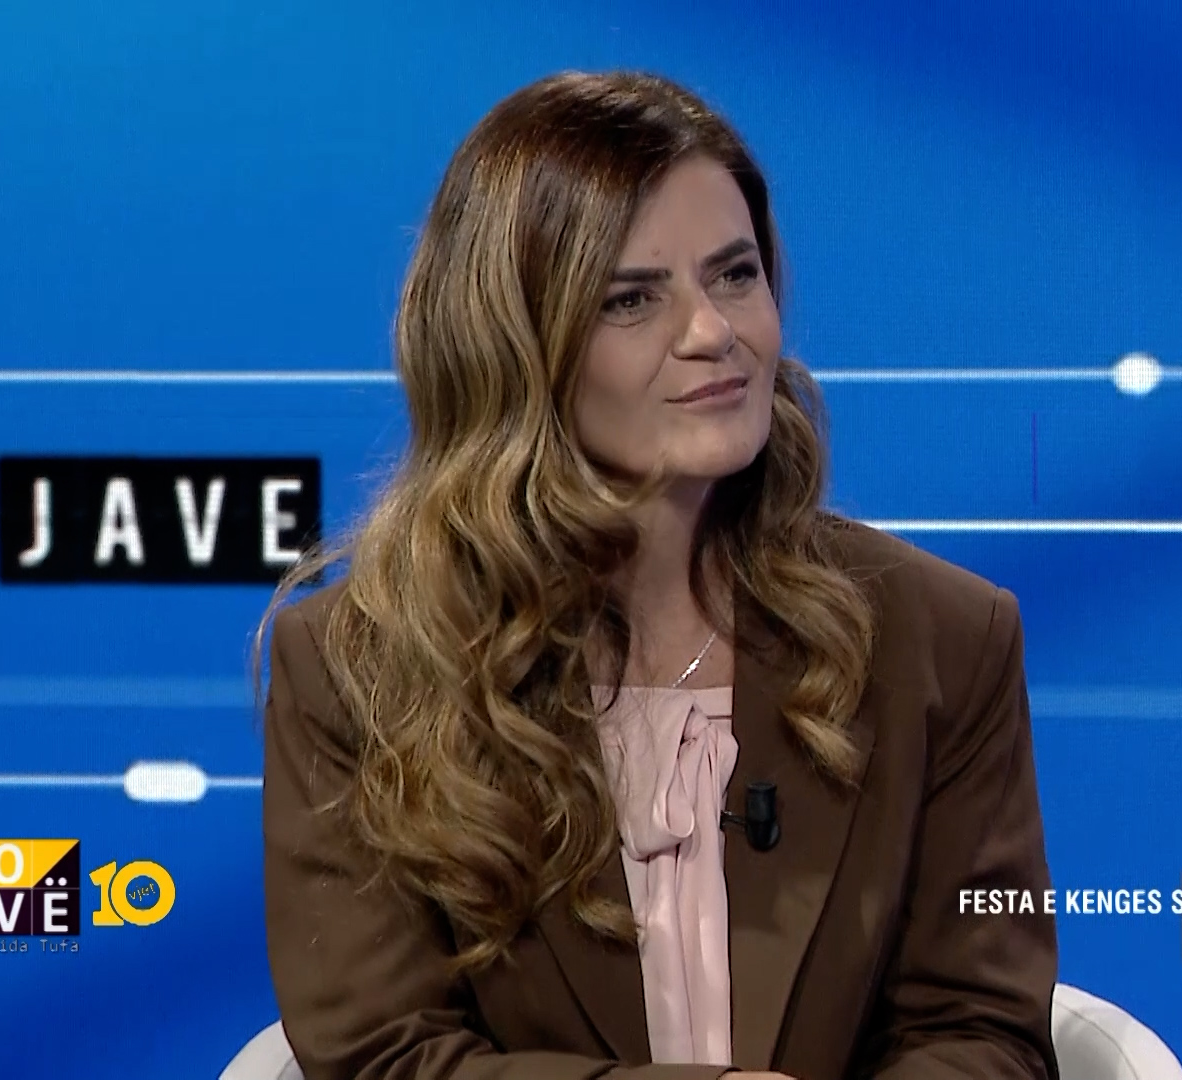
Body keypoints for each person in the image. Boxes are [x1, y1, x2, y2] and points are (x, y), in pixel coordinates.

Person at [258, 70, 1059, 1080]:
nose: (713, 333)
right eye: (632, 299)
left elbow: (985, 1035)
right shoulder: (359, 673)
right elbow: (384, 1058)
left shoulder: (941, 638)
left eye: (735, 275)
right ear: (515, 344)